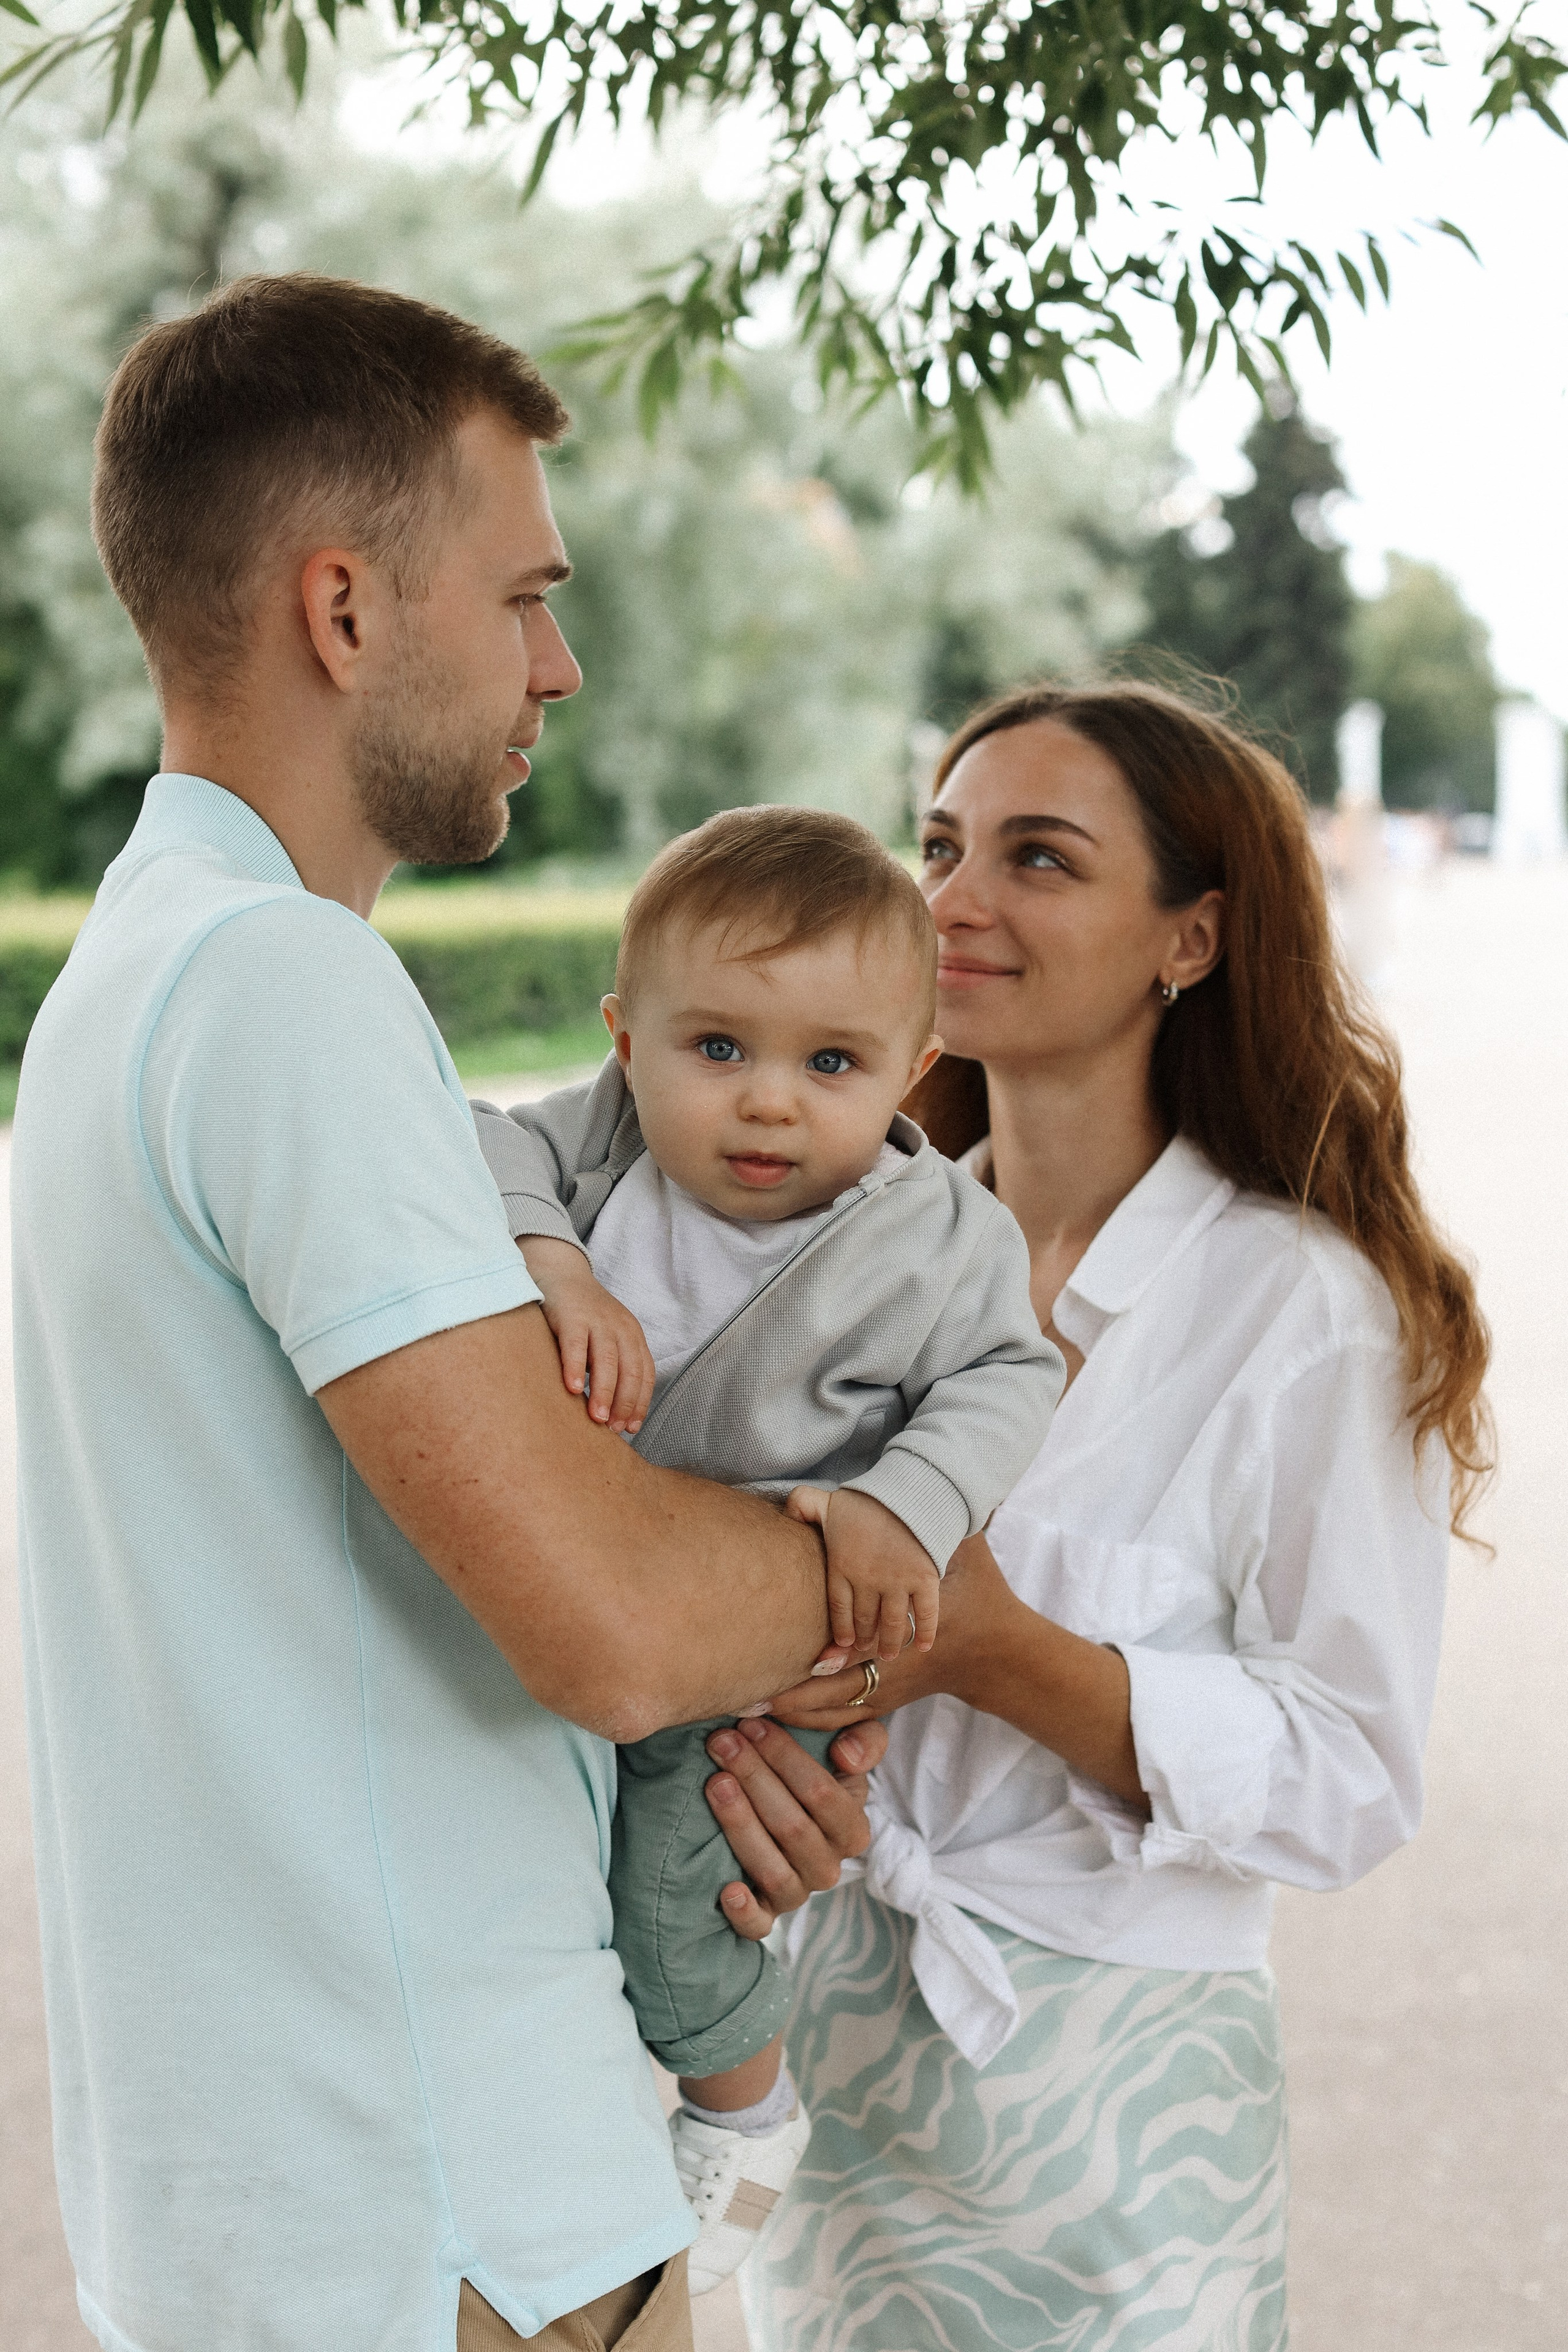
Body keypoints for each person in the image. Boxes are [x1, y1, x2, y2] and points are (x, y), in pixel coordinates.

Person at [10, 274, 889, 2352]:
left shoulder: (126, 986)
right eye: (522, 598)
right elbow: (610, 1622)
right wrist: (883, 1564)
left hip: (278, 2216)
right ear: (344, 611)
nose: (559, 667)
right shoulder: (286, 988)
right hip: (454, 2225)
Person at [728, 680, 1493, 2350]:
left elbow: (1352, 1777)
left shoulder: (1307, 1313)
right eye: (938, 847)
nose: (954, 900)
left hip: (1124, 2111)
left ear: (1190, 941)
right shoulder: (822, 1262)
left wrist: (995, 1655)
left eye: (1041, 859)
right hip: (832, 2055)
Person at [470, 802, 1063, 2290]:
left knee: (675, 1911)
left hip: (743, 1669)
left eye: (831, 1065)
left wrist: (903, 1499)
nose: (766, 1106)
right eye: (715, 1048)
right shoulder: (598, 1145)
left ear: (913, 1070)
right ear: (626, 1036)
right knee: (524, 1900)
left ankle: (746, 2117)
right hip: (565, 1605)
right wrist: (551, 1263)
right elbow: (472, 1144)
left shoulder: (938, 1237)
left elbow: (1011, 1377)